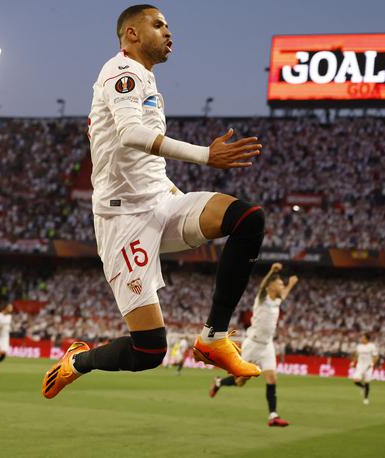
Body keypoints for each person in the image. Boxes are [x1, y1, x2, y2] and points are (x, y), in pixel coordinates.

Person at [43, 4, 265, 399]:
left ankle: (213, 338)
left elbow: (139, 159)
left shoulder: (144, 78)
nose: (168, 32)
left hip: (161, 202)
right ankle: (77, 360)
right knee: (149, 350)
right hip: (122, 219)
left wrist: (177, 195)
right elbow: (130, 134)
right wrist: (205, 155)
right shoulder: (122, 72)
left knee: (247, 218)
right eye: (158, 24)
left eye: (168, 26)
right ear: (131, 33)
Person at [209, 263, 298, 427]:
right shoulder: (261, 299)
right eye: (279, 283)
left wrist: (291, 283)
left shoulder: (277, 301)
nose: (282, 285)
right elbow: (263, 285)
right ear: (271, 286)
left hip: (267, 346)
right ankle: (219, 383)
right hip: (253, 344)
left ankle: (273, 416)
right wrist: (272, 271)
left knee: (271, 378)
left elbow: (284, 294)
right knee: (240, 381)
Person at [351, 333, 379, 405]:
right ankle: (362, 387)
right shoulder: (359, 346)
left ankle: (366, 398)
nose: (361, 339)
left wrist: (372, 364)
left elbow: (376, 356)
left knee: (367, 382)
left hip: (368, 366)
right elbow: (356, 355)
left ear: (367, 339)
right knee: (355, 380)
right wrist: (353, 362)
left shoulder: (372, 346)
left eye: (363, 338)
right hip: (360, 366)